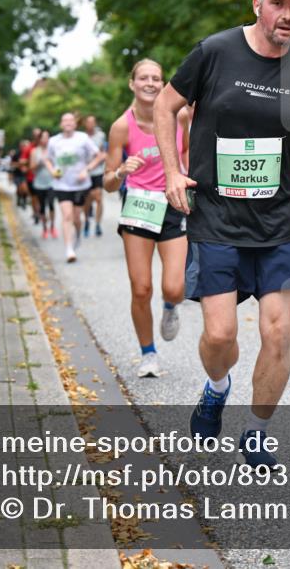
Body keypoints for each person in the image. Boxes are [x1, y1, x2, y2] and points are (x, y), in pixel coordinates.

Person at [153, 0, 290, 468]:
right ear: (258, 4)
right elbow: (164, 108)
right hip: (216, 216)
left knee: (278, 332)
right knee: (219, 335)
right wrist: (173, 171)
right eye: (278, 3)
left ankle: (256, 432)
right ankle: (216, 388)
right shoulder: (214, 52)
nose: (287, 15)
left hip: (279, 221)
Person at [103, 60, 191, 378]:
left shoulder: (180, 116)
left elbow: (187, 155)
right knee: (141, 288)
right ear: (132, 84)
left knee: (174, 286)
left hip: (171, 204)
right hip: (138, 206)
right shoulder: (121, 127)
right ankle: (148, 353)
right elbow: (107, 182)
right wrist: (121, 171)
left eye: (157, 78)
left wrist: (188, 178)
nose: (151, 83)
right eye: (144, 78)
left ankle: (171, 307)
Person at [44, 113, 103, 263]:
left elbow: (100, 156)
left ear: (75, 124)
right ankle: (69, 250)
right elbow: (46, 159)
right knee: (67, 216)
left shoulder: (83, 138)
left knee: (77, 217)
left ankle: (77, 232)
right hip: (61, 185)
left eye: (71, 120)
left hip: (80, 185)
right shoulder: (53, 141)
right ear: (61, 124)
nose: (68, 123)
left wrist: (86, 170)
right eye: (65, 120)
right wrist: (52, 171)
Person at [83, 115, 108, 237]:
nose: (91, 124)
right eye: (88, 122)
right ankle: (87, 221)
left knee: (98, 198)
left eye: (93, 122)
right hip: (85, 173)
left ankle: (97, 224)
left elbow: (104, 151)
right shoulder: (82, 137)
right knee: (87, 201)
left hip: (98, 171)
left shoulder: (101, 135)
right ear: (85, 124)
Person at [30, 131, 56, 239]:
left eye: (47, 137)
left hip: (52, 182)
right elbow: (31, 168)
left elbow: (59, 165)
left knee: (51, 204)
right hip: (39, 183)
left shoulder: (53, 151)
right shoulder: (34, 152)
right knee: (42, 207)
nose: (45, 140)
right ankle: (44, 228)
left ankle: (52, 227)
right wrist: (39, 163)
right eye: (43, 137)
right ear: (39, 139)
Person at [20, 129, 41, 222]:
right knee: (34, 197)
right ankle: (36, 212)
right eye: (35, 135)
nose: (37, 137)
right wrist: (30, 162)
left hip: (44, 177)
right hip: (31, 176)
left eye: (39, 135)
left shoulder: (46, 147)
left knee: (41, 197)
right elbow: (22, 161)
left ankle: (40, 212)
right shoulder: (29, 148)